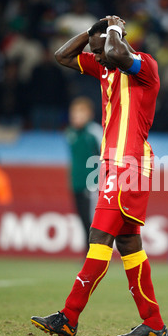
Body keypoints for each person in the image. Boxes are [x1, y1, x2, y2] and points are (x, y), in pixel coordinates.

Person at [31, 15, 168, 336]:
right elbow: (61, 56)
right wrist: (91, 33)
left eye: (102, 50)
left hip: (129, 164)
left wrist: (114, 31)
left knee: (99, 237)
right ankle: (154, 323)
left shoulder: (144, 66)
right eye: (96, 52)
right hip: (114, 165)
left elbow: (119, 53)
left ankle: (69, 316)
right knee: (128, 243)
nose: (98, 57)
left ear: (118, 42)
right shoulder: (105, 67)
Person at [65, 96, 102, 252]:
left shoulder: (94, 132)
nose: (76, 117)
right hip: (76, 182)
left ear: (89, 114)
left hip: (92, 182)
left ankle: (97, 252)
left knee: (92, 219)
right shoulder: (70, 133)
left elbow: (106, 153)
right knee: (81, 218)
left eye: (80, 113)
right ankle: (88, 252)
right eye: (74, 114)